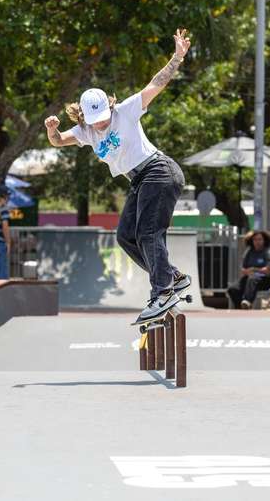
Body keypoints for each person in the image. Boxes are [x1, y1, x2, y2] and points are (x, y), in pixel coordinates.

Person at [44, 28, 193, 323]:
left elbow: (156, 84)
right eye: (96, 122)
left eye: (104, 120)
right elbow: (59, 141)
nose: (102, 126)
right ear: (84, 117)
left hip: (158, 171)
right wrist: (51, 129)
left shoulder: (125, 111)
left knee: (148, 232)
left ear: (110, 107)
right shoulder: (85, 131)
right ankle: (171, 277)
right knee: (126, 236)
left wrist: (177, 57)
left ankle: (162, 291)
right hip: (140, 180)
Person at [227, 230, 270, 310]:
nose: (257, 242)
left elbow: (267, 271)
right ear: (251, 241)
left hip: (264, 280)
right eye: (255, 240)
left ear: (264, 240)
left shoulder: (268, 252)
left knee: (252, 278)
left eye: (260, 239)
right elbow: (243, 270)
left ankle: (247, 301)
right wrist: (247, 271)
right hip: (249, 278)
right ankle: (241, 308)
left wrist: (254, 269)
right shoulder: (249, 252)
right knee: (233, 289)